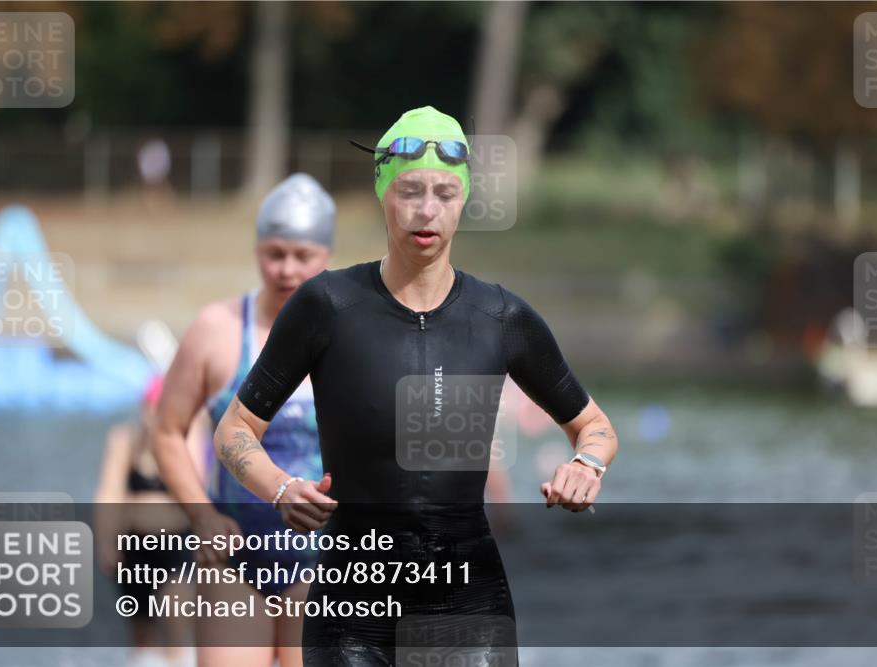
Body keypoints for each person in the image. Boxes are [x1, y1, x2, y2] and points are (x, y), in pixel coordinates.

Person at [211, 106, 619, 665]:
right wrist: (279, 487)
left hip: (468, 603)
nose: (427, 210)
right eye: (409, 191)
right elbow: (235, 429)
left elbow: (594, 426)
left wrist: (587, 466)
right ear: (383, 193)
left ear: (465, 200)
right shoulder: (326, 306)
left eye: (445, 193)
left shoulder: (501, 317)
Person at [153, 173, 336, 667]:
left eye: (303, 256)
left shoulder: (348, 336)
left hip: (325, 558)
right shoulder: (216, 329)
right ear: (257, 250)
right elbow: (166, 430)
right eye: (274, 253)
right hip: (233, 552)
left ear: (327, 257)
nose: (286, 269)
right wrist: (201, 515)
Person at [95, 375, 201, 667]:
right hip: (134, 546)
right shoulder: (126, 440)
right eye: (151, 410)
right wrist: (106, 539)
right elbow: (109, 492)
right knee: (142, 637)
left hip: (177, 545)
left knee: (177, 622)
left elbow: (195, 494)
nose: (154, 418)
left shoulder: (187, 439)